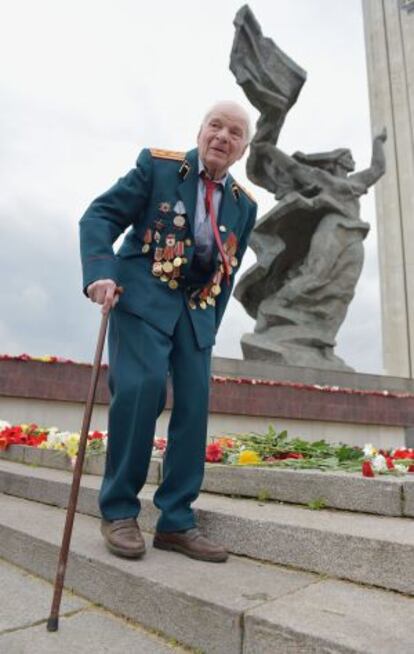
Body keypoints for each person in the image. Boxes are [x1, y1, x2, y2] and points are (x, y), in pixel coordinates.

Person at [79, 101, 257, 562]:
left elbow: (229, 270)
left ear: (242, 149)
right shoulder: (156, 167)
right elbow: (100, 216)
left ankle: (176, 521)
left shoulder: (244, 204)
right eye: (215, 126)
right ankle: (119, 512)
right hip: (142, 295)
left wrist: (209, 329)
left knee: (194, 406)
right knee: (141, 390)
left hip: (196, 313)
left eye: (234, 132)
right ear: (200, 132)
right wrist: (100, 271)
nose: (222, 136)